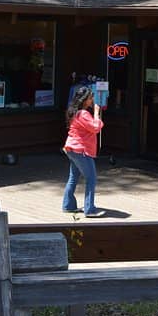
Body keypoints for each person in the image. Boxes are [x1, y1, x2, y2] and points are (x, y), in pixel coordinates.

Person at [62, 85, 106, 217]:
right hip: (80, 150)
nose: (92, 100)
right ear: (85, 99)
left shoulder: (73, 111)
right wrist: (97, 113)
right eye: (91, 97)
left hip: (71, 148)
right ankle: (90, 209)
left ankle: (68, 205)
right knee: (91, 178)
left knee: (73, 177)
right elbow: (95, 128)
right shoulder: (84, 113)